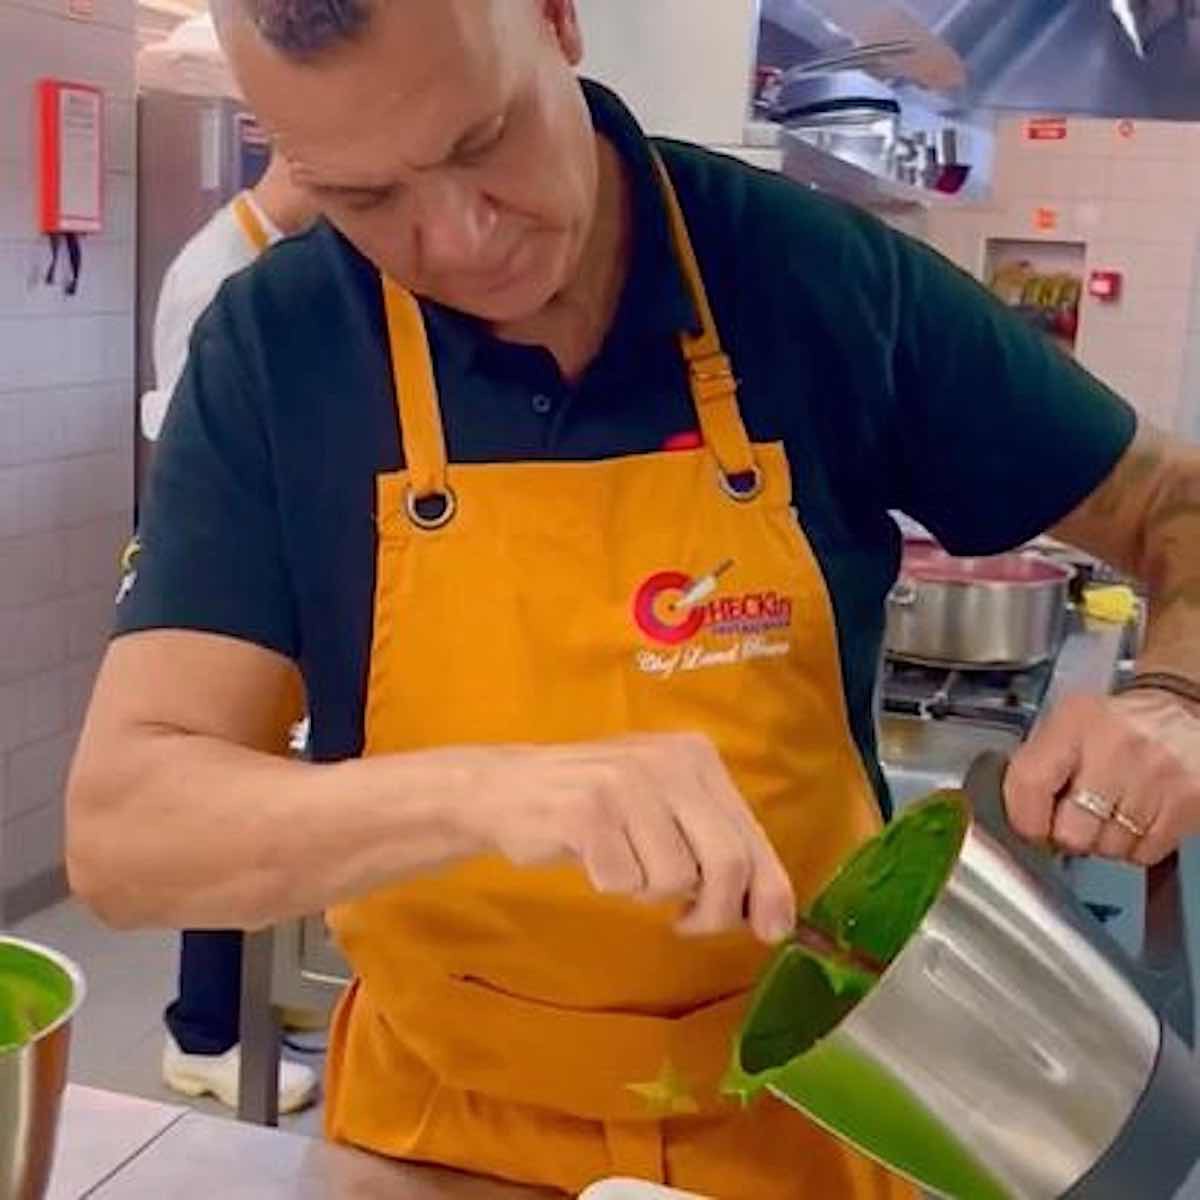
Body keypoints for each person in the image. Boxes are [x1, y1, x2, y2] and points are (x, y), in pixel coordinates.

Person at [66, 1, 1200, 1196]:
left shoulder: (814, 276)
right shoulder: (279, 347)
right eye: (364, 196)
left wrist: (1176, 697)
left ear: (557, 20)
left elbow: (1173, 504)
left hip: (814, 1115)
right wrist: (488, 791)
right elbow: (125, 834)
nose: (459, 239)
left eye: (481, 142)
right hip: (442, 1136)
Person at [143, 150, 321, 1115]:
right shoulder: (217, 273)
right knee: (223, 803)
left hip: (273, 575)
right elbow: (206, 455)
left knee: (270, 803)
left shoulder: (264, 261)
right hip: (225, 586)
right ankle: (203, 1033)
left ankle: (248, 1005)